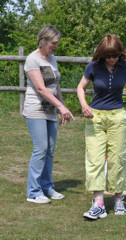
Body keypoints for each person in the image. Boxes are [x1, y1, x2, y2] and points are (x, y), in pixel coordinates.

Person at [77, 34, 126, 220]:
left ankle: (119, 198)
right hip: (96, 118)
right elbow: (80, 88)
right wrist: (84, 105)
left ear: (120, 53)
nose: (112, 59)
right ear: (101, 54)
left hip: (118, 118)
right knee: (95, 159)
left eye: (115, 56)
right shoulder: (93, 67)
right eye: (108, 56)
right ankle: (98, 204)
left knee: (117, 159)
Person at [23, 25, 75, 204]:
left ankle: (46, 186)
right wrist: (61, 107)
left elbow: (56, 85)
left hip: (51, 110)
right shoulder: (32, 59)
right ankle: (33, 191)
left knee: (50, 151)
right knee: (41, 149)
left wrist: (62, 107)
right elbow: (40, 88)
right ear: (43, 40)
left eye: (57, 43)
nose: (56, 46)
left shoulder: (52, 59)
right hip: (35, 109)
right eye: (53, 43)